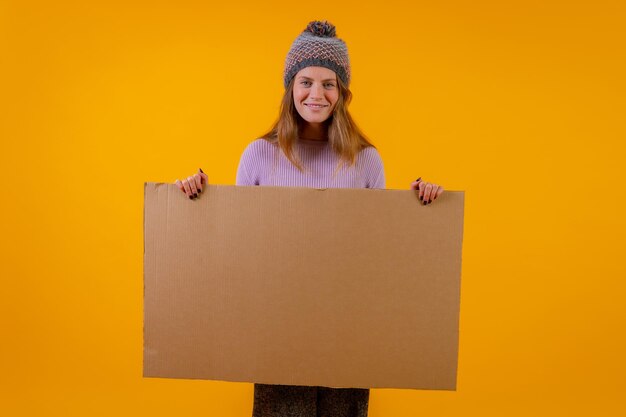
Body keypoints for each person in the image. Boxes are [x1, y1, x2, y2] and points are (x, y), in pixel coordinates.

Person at [175, 20, 444, 417]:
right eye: (305, 82)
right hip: (277, 325)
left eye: (328, 83)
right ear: (290, 88)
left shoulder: (366, 160)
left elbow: (379, 251)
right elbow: (237, 242)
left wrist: (420, 206)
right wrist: (196, 197)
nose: (316, 94)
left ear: (342, 94)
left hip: (348, 326)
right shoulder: (258, 155)